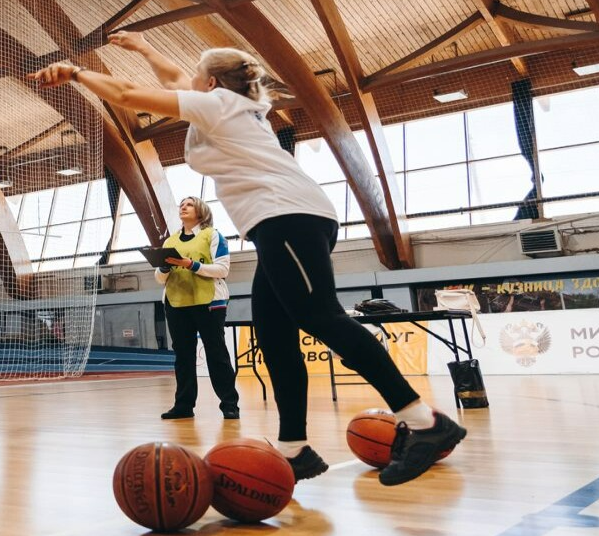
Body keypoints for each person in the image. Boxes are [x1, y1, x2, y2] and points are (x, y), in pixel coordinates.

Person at [27, 31, 465, 486]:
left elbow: (126, 94)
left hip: (288, 216)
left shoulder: (216, 106)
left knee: (323, 317)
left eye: (198, 74)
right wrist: (143, 49)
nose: (187, 78)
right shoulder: (230, 104)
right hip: (281, 220)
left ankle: (424, 422)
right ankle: (295, 449)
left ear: (212, 82)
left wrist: (76, 73)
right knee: (274, 336)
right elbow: (177, 76)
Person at [156, 197, 240, 421]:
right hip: (176, 303)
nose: (183, 207)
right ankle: (183, 405)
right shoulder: (170, 242)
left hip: (209, 302)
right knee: (183, 357)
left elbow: (222, 269)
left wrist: (191, 264)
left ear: (201, 211)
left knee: (216, 354)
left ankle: (230, 404)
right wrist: (164, 267)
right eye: (181, 204)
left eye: (189, 204)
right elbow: (159, 278)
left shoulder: (212, 235)